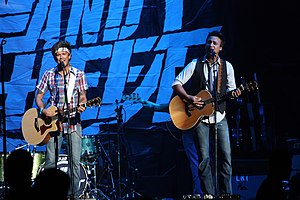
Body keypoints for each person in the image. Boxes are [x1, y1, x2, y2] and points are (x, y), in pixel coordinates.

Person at [171, 31, 241, 198]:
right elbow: (176, 83)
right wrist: (189, 98)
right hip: (200, 119)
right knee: (204, 159)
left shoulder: (227, 67)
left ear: (220, 48)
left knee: (225, 157)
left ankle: (226, 194)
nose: (211, 45)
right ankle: (208, 194)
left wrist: (235, 93)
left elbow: (231, 90)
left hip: (219, 116)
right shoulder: (195, 64)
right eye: (209, 42)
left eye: (214, 43)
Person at [35, 40, 88, 200]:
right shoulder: (49, 74)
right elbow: (39, 97)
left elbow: (83, 96)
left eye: (63, 54)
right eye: (57, 55)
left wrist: (82, 104)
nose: (60, 57)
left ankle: (73, 196)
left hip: (72, 123)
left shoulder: (78, 74)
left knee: (75, 162)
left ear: (69, 56)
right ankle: (49, 195)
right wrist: (43, 110)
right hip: (52, 125)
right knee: (51, 161)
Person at [141, 101, 204, 197]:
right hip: (189, 129)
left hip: (206, 127)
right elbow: (177, 106)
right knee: (195, 164)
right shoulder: (181, 89)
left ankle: (209, 192)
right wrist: (156, 107)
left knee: (204, 162)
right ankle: (199, 193)